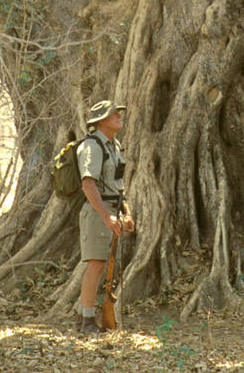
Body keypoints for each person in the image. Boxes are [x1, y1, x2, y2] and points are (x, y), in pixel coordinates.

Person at [75, 100, 134, 335]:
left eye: (119, 112)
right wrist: (106, 216)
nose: (119, 115)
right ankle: (87, 320)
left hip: (112, 210)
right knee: (96, 265)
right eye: (113, 114)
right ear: (101, 121)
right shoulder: (92, 146)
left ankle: (84, 319)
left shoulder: (114, 145)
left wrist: (126, 214)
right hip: (98, 212)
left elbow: (118, 186)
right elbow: (88, 184)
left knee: (104, 266)